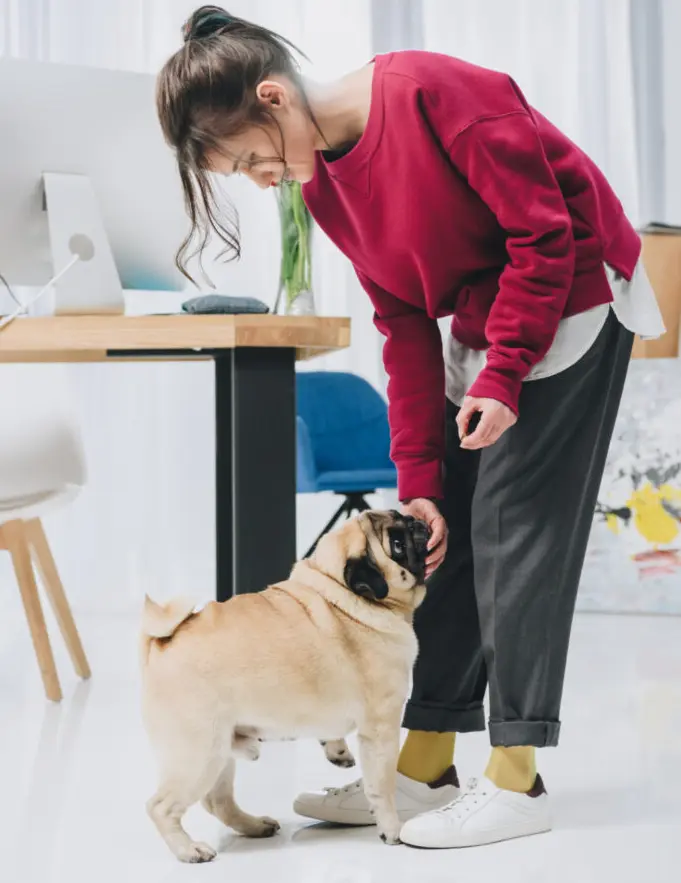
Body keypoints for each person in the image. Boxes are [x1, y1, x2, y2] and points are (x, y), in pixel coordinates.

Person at [156, 6, 665, 849]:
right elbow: (401, 325)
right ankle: (422, 767)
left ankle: (517, 776)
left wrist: (503, 375)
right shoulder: (324, 185)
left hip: (569, 292)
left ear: (275, 99)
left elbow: (542, 238)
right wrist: (420, 487)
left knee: (515, 537)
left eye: (249, 159)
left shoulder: (437, 94)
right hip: (483, 320)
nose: (260, 180)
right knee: (447, 538)